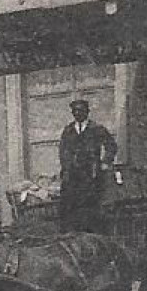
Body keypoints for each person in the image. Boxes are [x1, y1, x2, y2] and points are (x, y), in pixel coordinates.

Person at [57, 99, 118, 234]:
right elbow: (62, 150)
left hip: (91, 174)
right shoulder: (68, 131)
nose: (78, 114)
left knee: (91, 206)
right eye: (75, 111)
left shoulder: (97, 129)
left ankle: (91, 235)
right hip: (73, 175)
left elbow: (111, 146)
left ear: (87, 112)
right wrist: (66, 167)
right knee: (70, 206)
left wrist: (105, 162)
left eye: (81, 110)